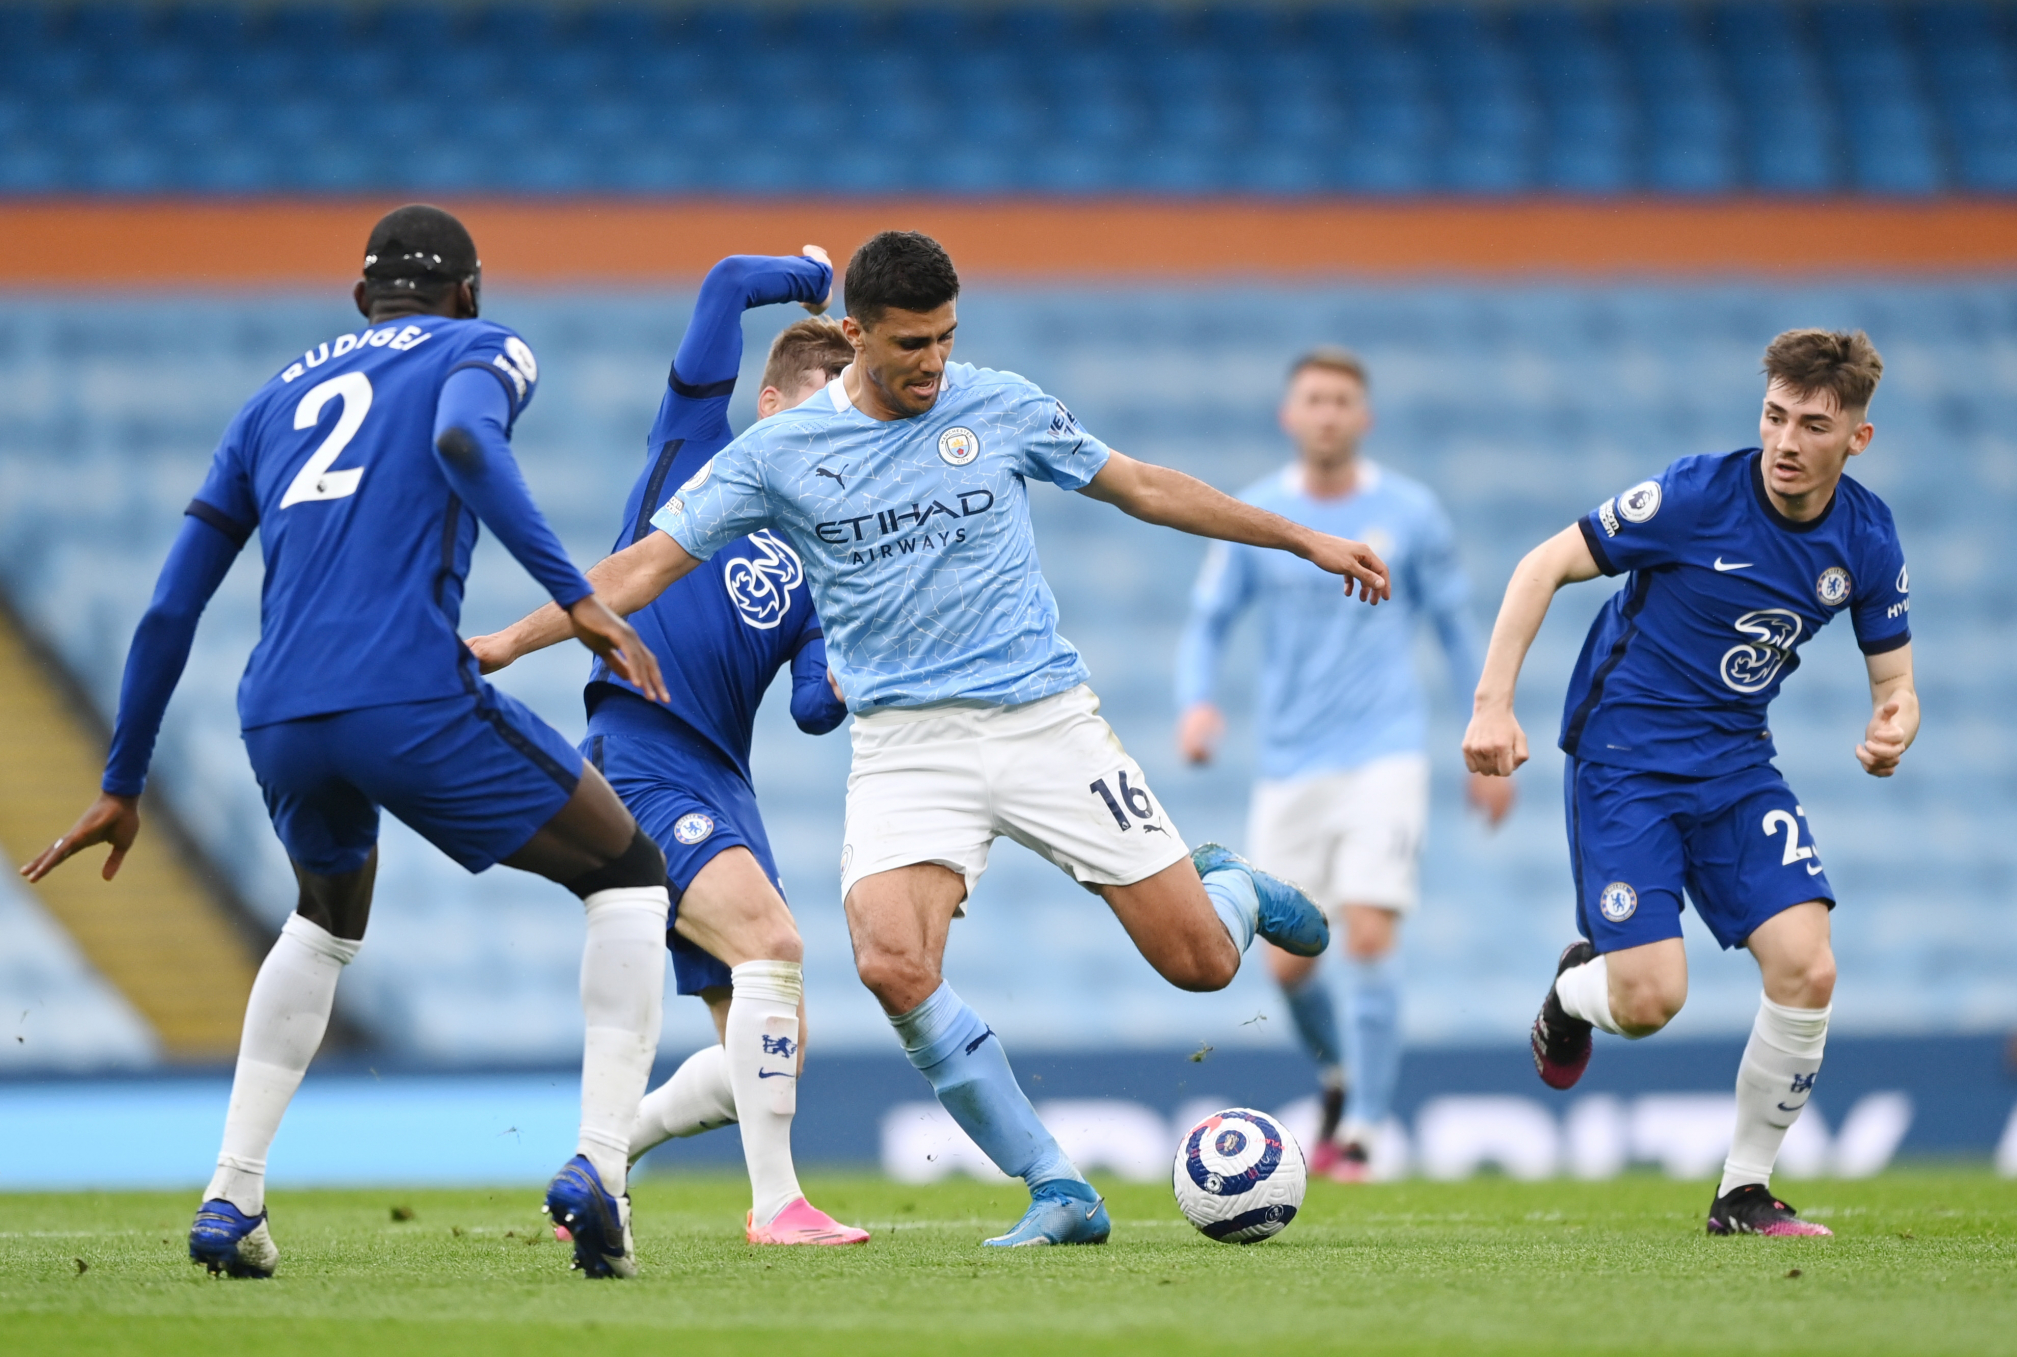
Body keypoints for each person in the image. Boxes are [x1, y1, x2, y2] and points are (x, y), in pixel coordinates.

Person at [471, 229, 1392, 1247]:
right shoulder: (779, 453)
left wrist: (1299, 535)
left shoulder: (996, 404)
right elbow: (640, 568)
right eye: (911, 343)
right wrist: (513, 641)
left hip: (1042, 718)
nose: (932, 362)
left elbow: (1142, 485)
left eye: (946, 338)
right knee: (890, 961)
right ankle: (1056, 1187)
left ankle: (1231, 888)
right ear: (856, 334)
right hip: (907, 745)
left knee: (1202, 964)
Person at [19, 205, 673, 1282]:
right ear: (467, 290)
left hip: (278, 711)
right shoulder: (482, 345)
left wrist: (122, 779)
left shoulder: (269, 400)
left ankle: (232, 1195)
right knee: (631, 873)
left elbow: (169, 608)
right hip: (405, 691)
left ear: (362, 296)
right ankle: (600, 1167)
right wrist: (580, 600)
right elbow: (464, 437)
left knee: (323, 919)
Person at [1462, 329, 1917, 1236]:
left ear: (1856, 439)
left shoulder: (1866, 537)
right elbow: (1542, 563)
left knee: (1808, 963)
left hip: (1738, 763)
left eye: (1813, 425)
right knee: (1649, 1000)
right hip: (1625, 759)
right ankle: (1569, 993)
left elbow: (1896, 683)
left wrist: (1894, 722)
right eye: (1775, 417)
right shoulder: (1696, 494)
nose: (1786, 442)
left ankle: (1742, 1191)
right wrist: (1492, 704)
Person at [569, 247, 866, 1245]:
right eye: (828, 400)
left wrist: (863, 665)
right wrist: (810, 278)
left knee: (771, 1040)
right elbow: (725, 285)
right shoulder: (692, 448)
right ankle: (775, 1205)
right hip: (640, 747)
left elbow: (814, 709)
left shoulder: (823, 556)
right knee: (774, 947)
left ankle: (597, 1168)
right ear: (771, 401)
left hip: (721, 782)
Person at [1176, 346, 1512, 1182]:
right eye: (1313, 400)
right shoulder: (1257, 513)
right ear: (1290, 415)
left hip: (1384, 755)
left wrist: (1489, 734)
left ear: (1363, 417)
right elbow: (1208, 620)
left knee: (1367, 928)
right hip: (1290, 763)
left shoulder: (1411, 513)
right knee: (1288, 960)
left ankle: (1361, 1127)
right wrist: (1198, 701)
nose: (1326, 413)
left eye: (1341, 401)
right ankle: (1337, 1075)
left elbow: (1456, 627)